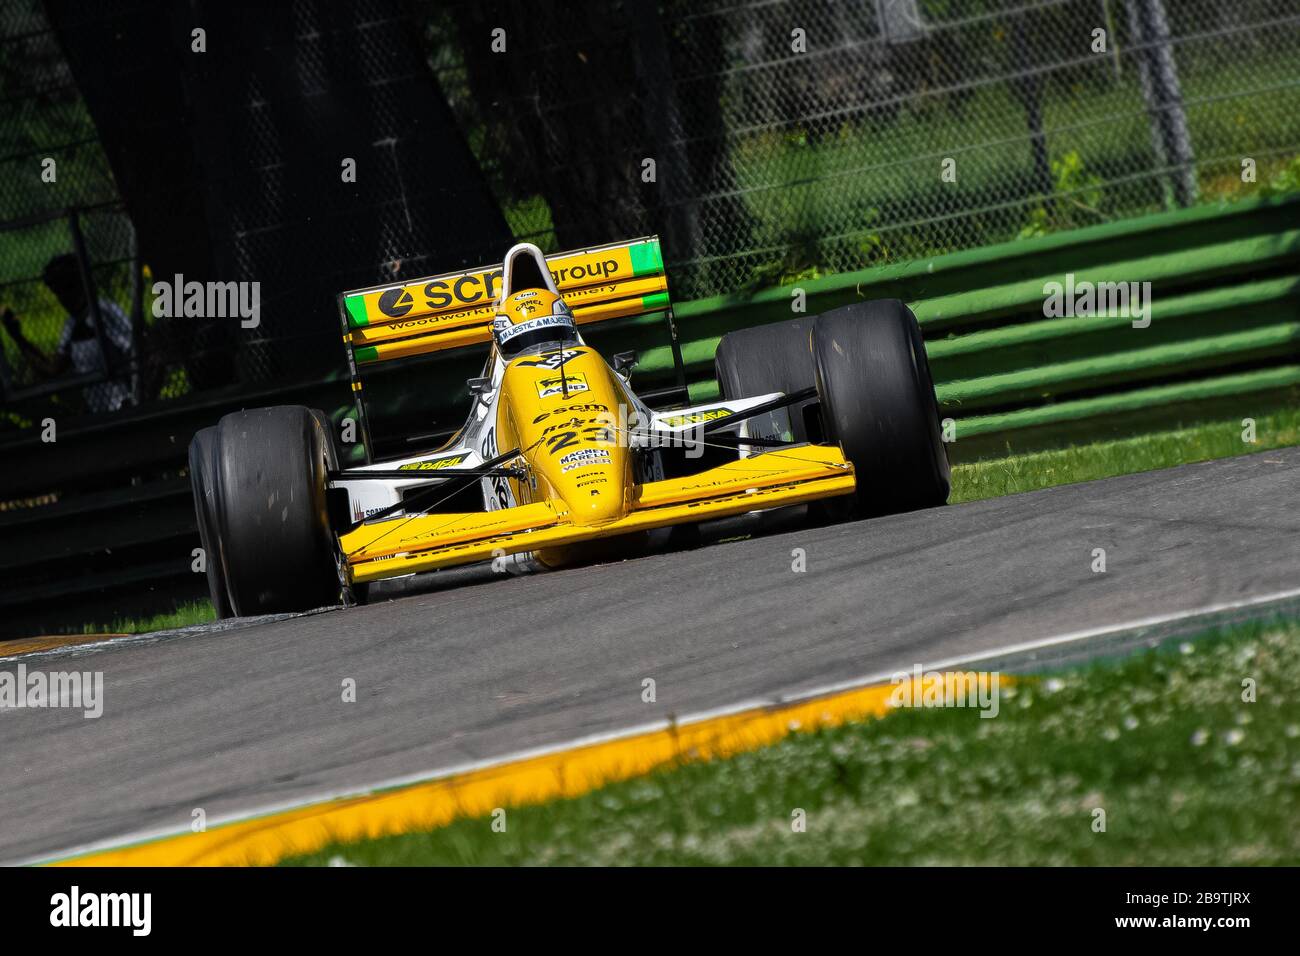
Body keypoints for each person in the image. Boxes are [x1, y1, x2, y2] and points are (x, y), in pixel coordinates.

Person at [1, 253, 133, 413]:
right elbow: (51, 369)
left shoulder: (104, 312)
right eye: (58, 292)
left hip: (125, 405)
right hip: (99, 411)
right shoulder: (71, 324)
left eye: (68, 287)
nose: (63, 297)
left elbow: (133, 352)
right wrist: (18, 337)